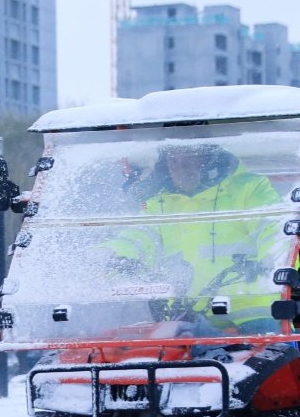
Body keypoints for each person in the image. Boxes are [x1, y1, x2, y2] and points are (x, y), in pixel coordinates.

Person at [109, 142, 283, 334]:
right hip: (185, 311)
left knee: (261, 356)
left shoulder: (249, 188)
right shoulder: (160, 202)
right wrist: (109, 255)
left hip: (250, 309)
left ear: (210, 159)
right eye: (174, 161)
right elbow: (140, 236)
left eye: (191, 159)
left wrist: (273, 261)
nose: (182, 168)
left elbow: (275, 229)